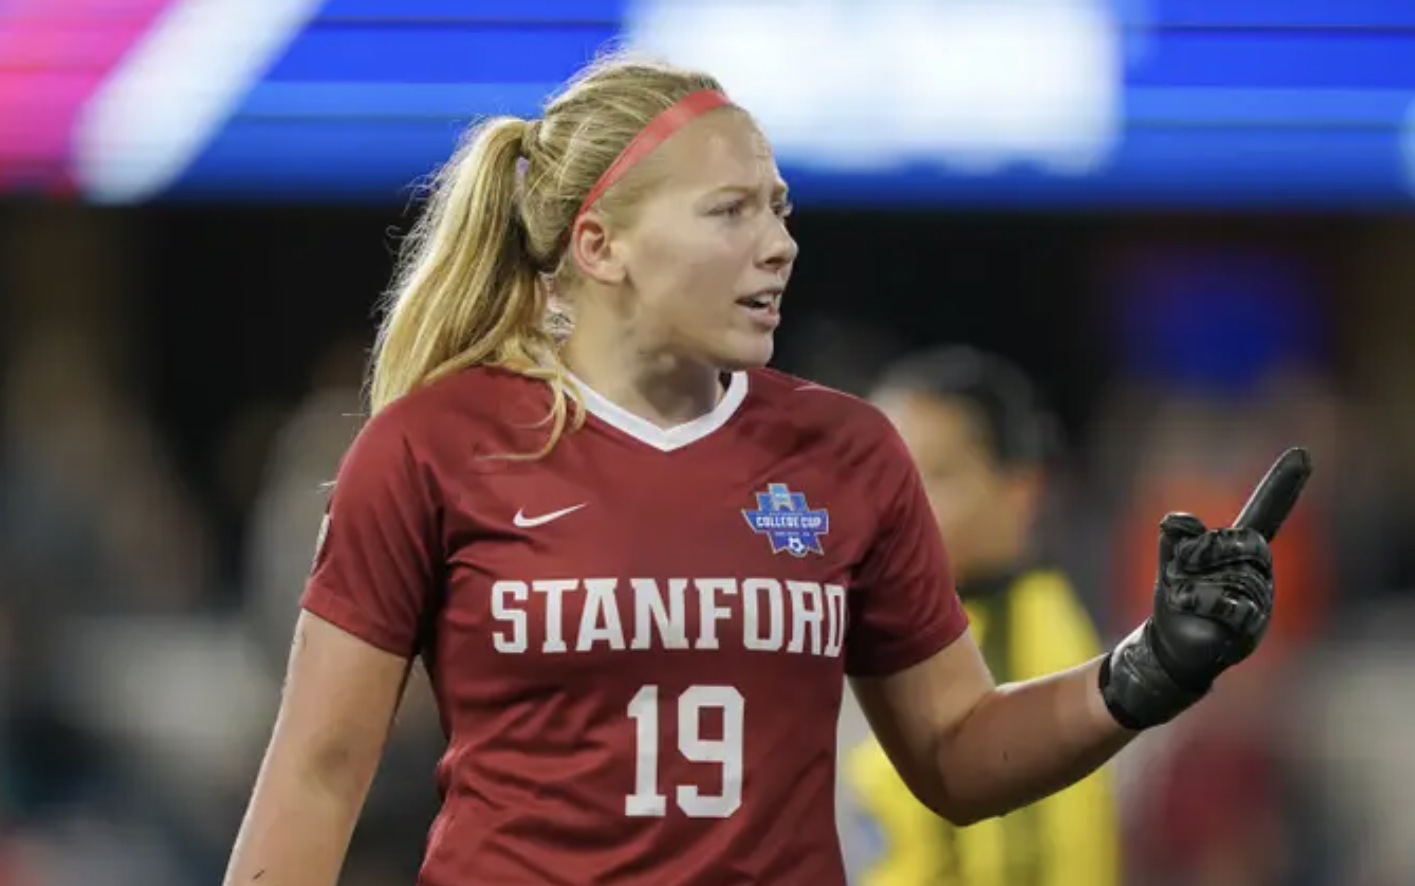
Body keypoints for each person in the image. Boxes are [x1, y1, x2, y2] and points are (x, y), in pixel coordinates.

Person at [220, 54, 1300, 886]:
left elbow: (956, 750)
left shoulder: (846, 450)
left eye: (778, 207)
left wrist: (1150, 668)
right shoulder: (433, 446)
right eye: (730, 210)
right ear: (600, 246)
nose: (779, 243)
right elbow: (317, 772)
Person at [837, 346, 1119, 886]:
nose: (895, 506)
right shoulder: (921, 628)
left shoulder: (1019, 652)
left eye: (935, 476)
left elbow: (1024, 866)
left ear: (1020, 490)